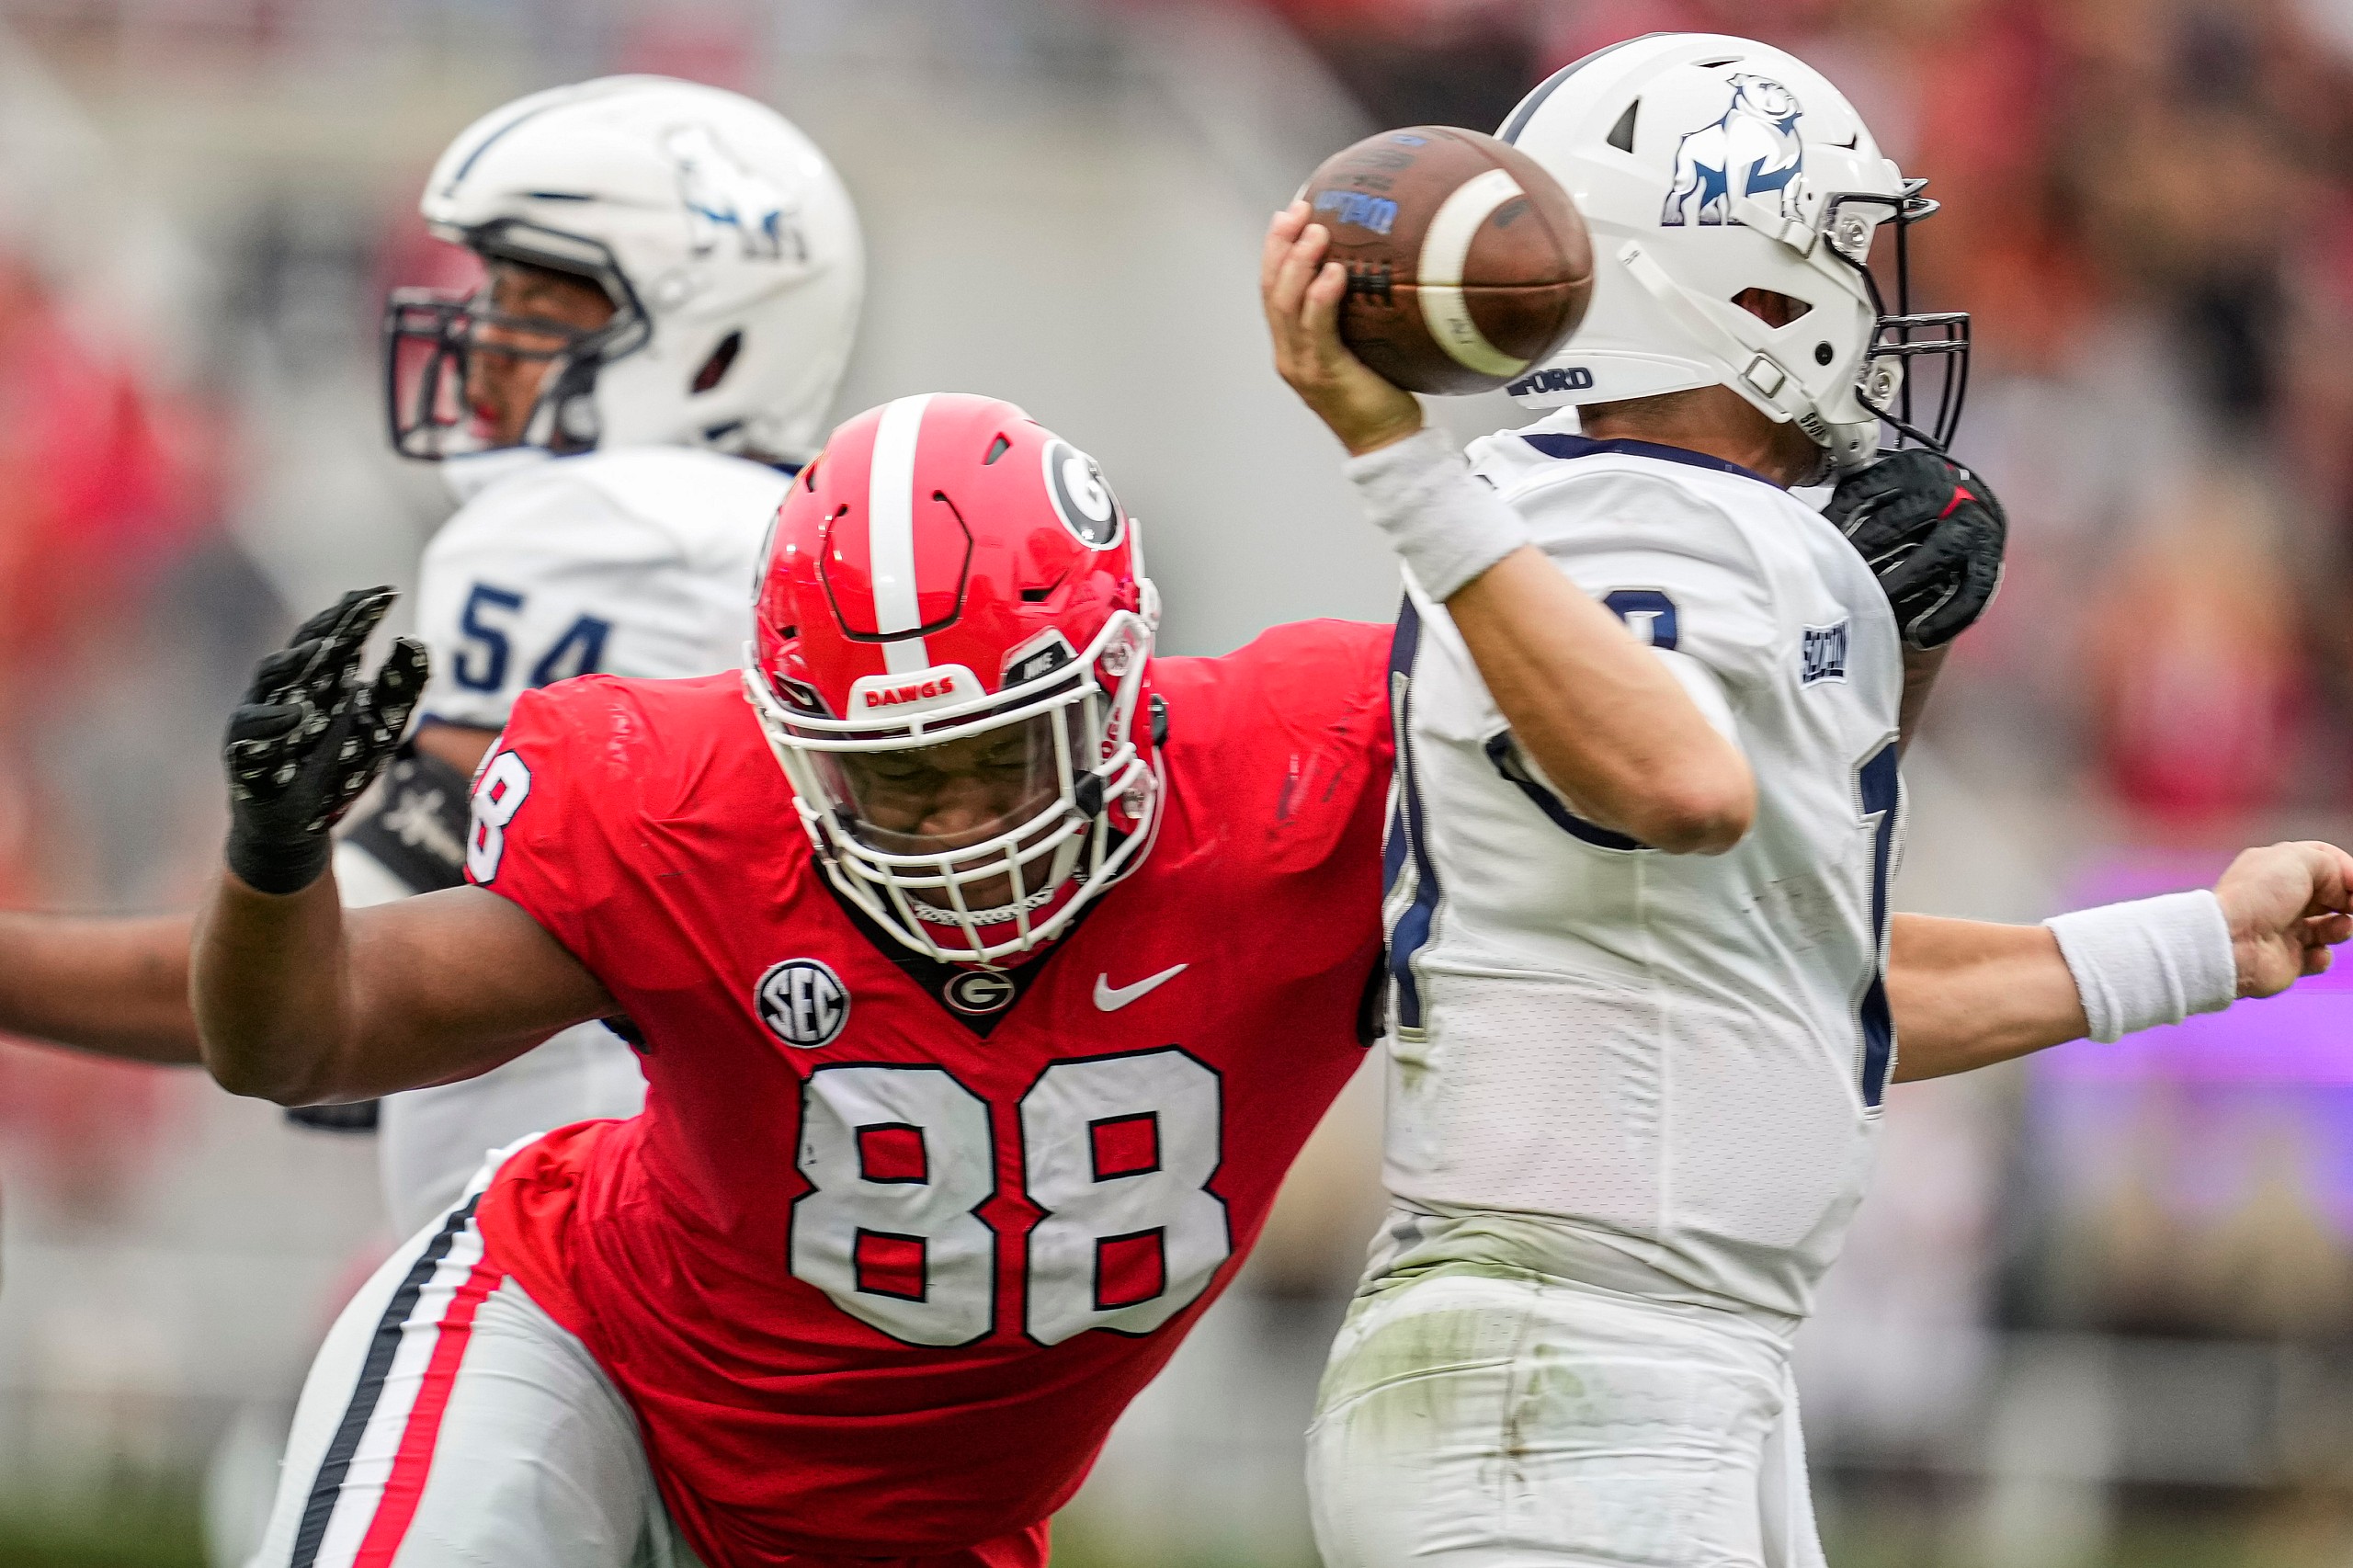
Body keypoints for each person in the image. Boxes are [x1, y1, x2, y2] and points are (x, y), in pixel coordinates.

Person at [184, 387, 2344, 1568]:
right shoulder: (687, 800)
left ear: (1119, 683)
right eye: (887, 770)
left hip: (926, 1528)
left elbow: (1754, 981)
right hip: (586, 1355)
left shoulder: (1306, 777)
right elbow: (301, 1033)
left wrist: (2181, 942)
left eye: (989, 751)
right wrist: (275, 859)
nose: (945, 821)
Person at [1256, 32, 2353, 1568]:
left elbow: (1812, 980)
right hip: (1571, 1384)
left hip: (1644, 1366)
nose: (1873, 289)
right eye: (1835, 247)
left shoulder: (1607, 523)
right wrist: (1395, 461)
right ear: (1717, 283)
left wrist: (2200, 945)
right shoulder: (1633, 520)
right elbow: (1685, 787)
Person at [0, 74, 864, 1239]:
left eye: (536, 307)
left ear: (715, 341)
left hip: (594, 1240)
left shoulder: (611, 531)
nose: (481, 348)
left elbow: (301, 991)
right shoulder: (790, 531)